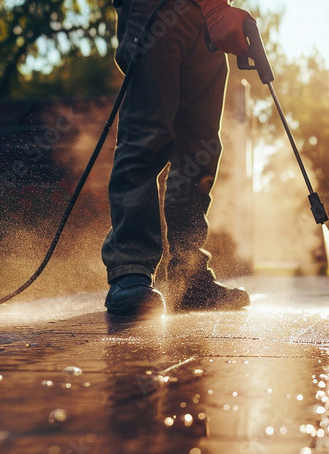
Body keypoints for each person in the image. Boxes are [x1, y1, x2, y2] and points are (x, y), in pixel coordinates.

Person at [102, 0, 255, 318]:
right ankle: (131, 270)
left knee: (201, 149)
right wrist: (215, 9)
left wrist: (218, 10)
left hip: (208, 18)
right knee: (148, 136)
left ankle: (189, 278)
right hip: (154, 7)